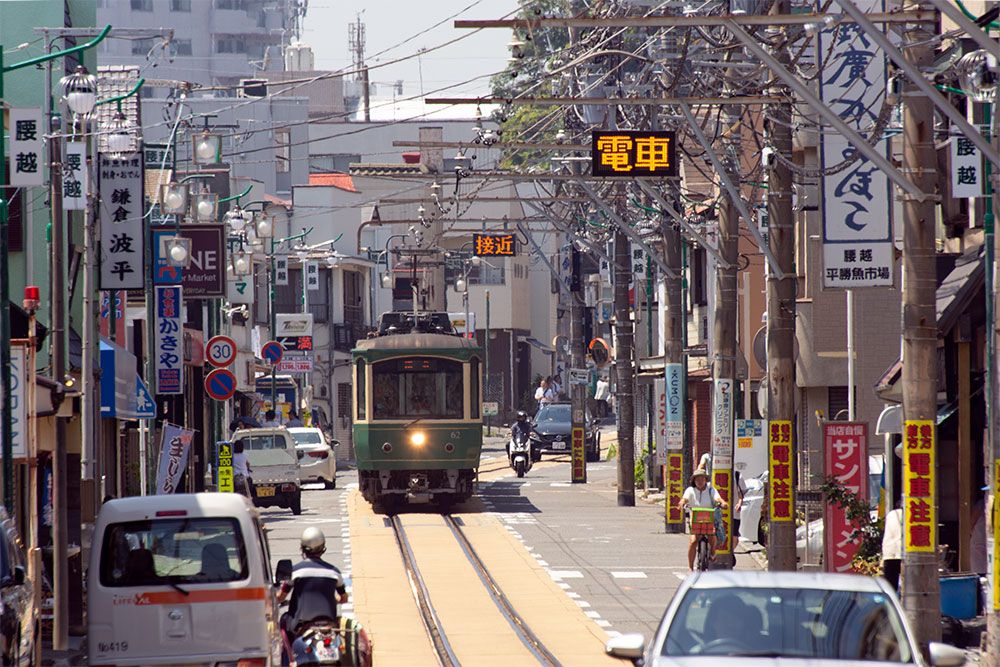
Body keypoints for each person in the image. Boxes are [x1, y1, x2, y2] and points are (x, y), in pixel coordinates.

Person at [278, 528, 349, 637]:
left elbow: (281, 597)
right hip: (329, 623)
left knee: (283, 622)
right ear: (323, 548)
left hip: (299, 624)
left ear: (302, 548)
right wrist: (331, 599)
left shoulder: (295, 571)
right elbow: (344, 598)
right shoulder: (334, 572)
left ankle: (287, 654)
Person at [678, 468, 728, 570]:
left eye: (702, 479)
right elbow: (684, 499)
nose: (700, 481)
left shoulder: (711, 490)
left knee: (712, 536)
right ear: (694, 481)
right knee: (693, 541)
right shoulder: (690, 490)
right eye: (697, 479)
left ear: (706, 480)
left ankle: (713, 553)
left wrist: (723, 503)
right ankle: (690, 568)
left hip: (709, 518)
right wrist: (682, 503)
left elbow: (718, 499)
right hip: (695, 518)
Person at [881, 506, 903, 591]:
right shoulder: (910, 514)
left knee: (891, 588)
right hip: (903, 553)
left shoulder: (891, 514)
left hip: (889, 553)